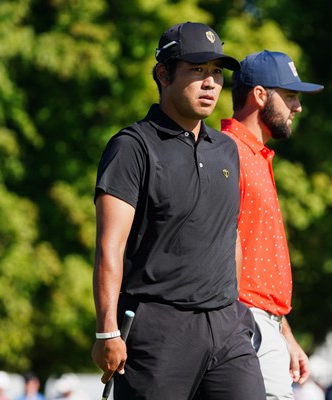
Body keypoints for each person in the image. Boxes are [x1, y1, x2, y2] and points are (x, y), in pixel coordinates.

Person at [90, 21, 265, 400]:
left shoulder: (227, 150)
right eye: (197, 71)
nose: (211, 83)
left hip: (227, 327)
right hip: (158, 330)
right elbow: (110, 246)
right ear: (163, 74)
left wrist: (238, 311)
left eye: (217, 73)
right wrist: (107, 331)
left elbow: (229, 235)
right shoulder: (131, 147)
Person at [221, 49, 323, 400]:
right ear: (260, 95)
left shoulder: (257, 156)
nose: (298, 107)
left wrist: (286, 334)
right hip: (242, 321)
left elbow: (257, 268)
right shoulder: (227, 152)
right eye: (291, 96)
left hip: (265, 323)